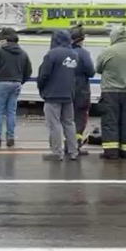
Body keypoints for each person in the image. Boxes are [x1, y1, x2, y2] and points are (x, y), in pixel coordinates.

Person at [0, 28, 32, 147]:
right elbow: (28, 71)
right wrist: (20, 81)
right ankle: (10, 138)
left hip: (1, 83)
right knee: (11, 111)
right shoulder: (23, 53)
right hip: (16, 83)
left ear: (5, 39)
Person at [96, 25, 126, 160]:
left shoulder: (108, 51)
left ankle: (111, 152)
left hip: (110, 92)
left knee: (110, 122)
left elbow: (98, 68)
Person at [37, 30, 79, 161]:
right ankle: (73, 151)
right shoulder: (74, 54)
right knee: (69, 123)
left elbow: (43, 75)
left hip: (53, 94)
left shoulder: (52, 54)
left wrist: (42, 89)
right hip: (69, 94)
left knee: (54, 124)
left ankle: (57, 152)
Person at [70, 25, 95, 155]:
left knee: (67, 118)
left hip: (66, 90)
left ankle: (67, 144)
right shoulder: (83, 54)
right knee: (80, 119)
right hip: (81, 91)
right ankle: (76, 145)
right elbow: (91, 72)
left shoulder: (64, 52)